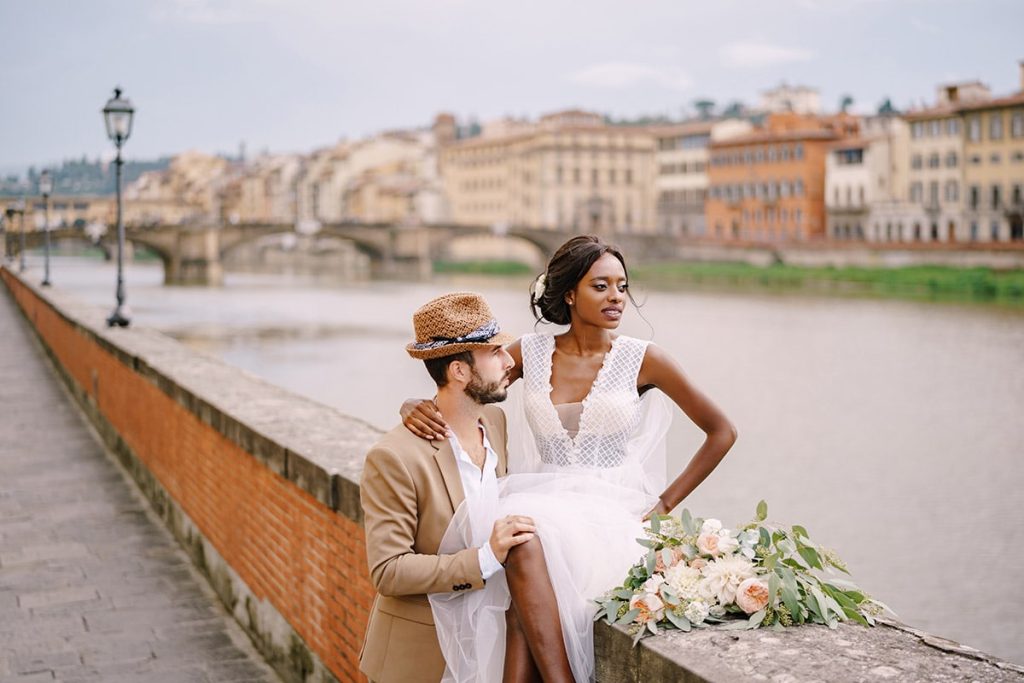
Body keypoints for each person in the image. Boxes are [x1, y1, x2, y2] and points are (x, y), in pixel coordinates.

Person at [403, 235, 738, 682]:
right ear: (569, 294)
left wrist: (662, 506)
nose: (616, 296)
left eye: (622, 285)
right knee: (522, 548)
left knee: (523, 561)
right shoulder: (529, 352)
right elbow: (466, 385)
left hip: (615, 513)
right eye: (601, 286)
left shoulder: (644, 359)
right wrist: (416, 404)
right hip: (544, 496)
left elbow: (722, 432)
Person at [359, 292, 573, 683]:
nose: (510, 360)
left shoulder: (496, 423)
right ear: (459, 371)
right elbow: (388, 571)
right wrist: (486, 557)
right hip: (422, 659)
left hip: (488, 645)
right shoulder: (393, 457)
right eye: (496, 352)